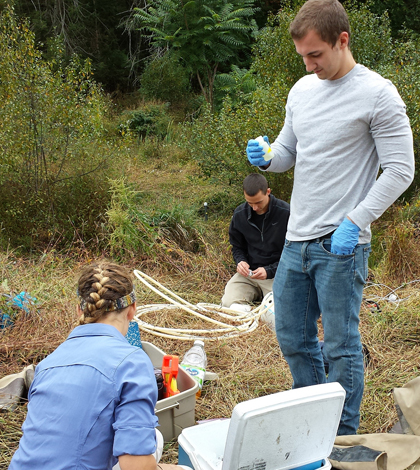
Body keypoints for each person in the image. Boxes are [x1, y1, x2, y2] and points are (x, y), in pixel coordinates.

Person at [246, 0, 414, 435]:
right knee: (292, 337)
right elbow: (287, 154)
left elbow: (400, 169)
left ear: (343, 40)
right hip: (297, 240)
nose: (309, 65)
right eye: (303, 56)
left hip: (341, 245)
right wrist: (266, 158)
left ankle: (341, 435)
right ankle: (312, 415)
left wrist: (355, 221)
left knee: (340, 346)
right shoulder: (301, 91)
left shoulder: (378, 93)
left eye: (316, 54)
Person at [9, 262, 166, 470]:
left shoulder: (47, 364)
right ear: (132, 310)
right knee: (156, 441)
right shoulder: (132, 362)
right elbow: (135, 466)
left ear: (79, 311)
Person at [221, 173, 290, 310]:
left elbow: (294, 253)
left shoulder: (286, 213)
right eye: (249, 203)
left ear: (268, 192)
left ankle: (263, 310)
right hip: (249, 275)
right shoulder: (239, 214)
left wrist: (269, 271)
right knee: (228, 303)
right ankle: (252, 309)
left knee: (281, 311)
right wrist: (241, 261)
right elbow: (237, 246)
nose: (254, 208)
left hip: (277, 275)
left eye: (258, 202)